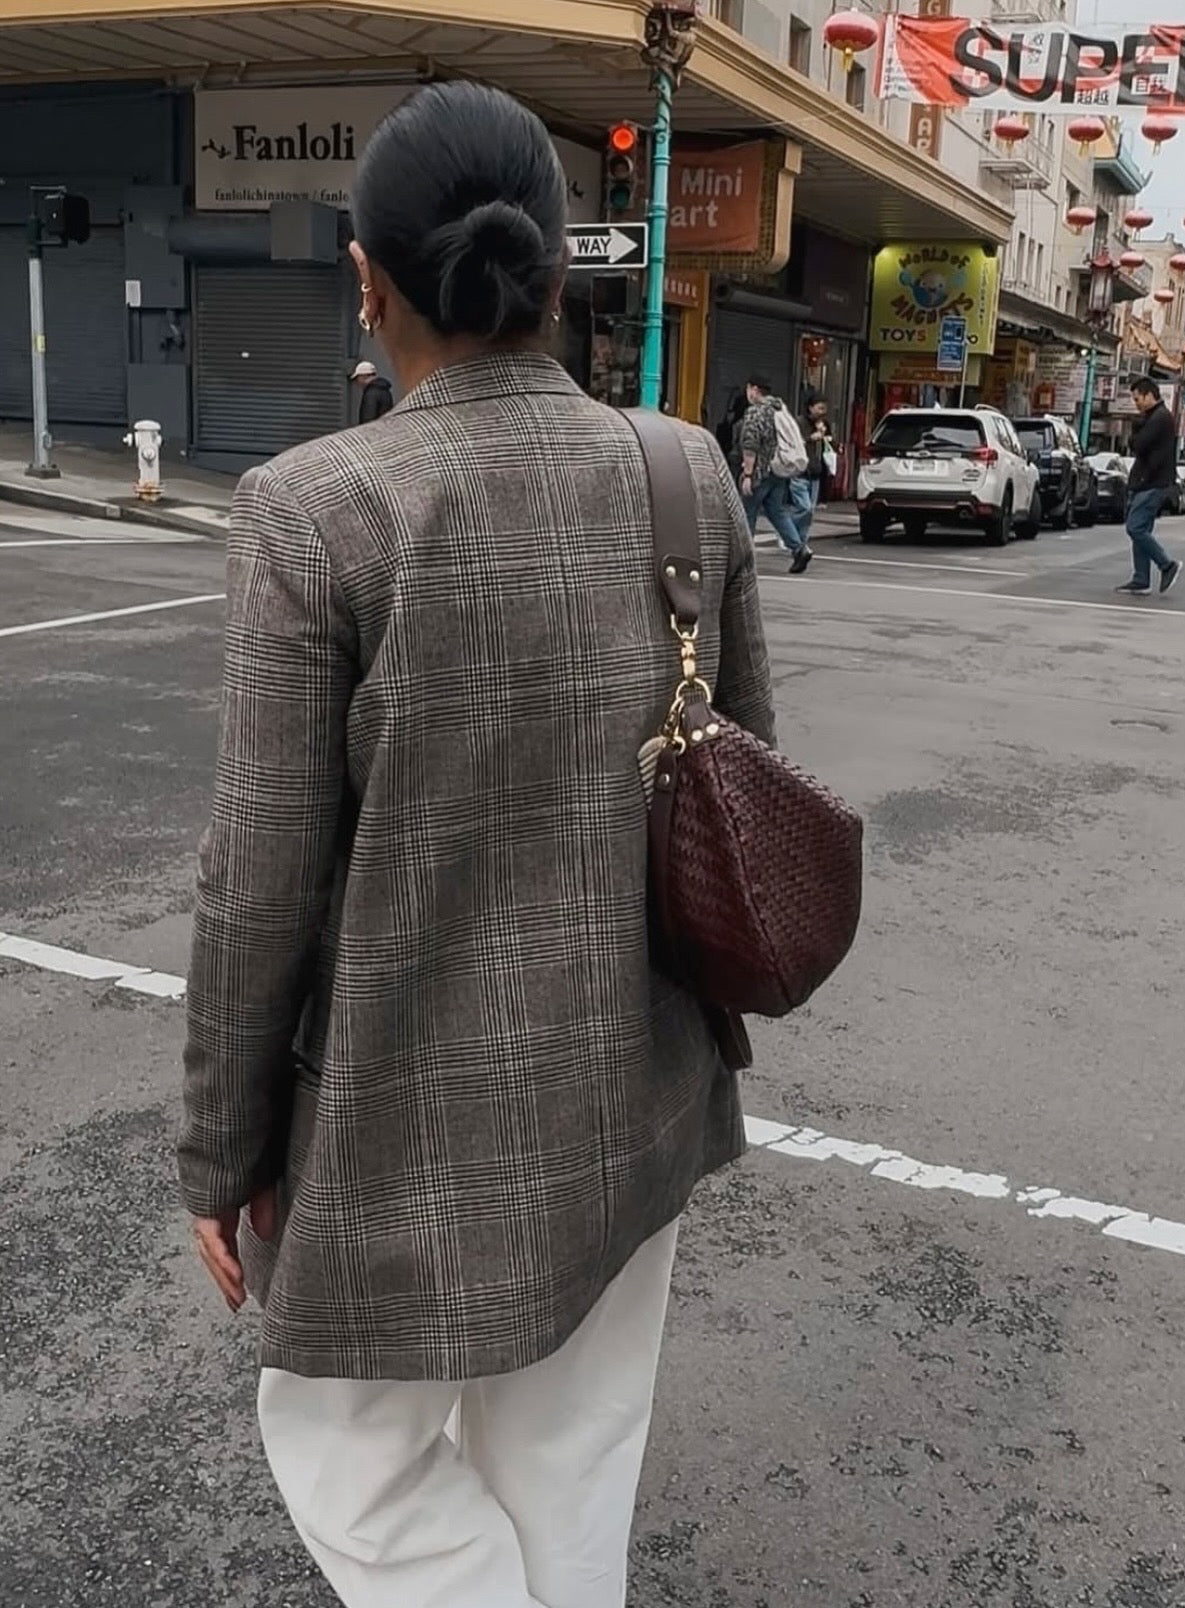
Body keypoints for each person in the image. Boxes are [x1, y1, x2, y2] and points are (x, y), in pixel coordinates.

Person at [178, 80, 774, 1608]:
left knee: (343, 1451)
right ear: (557, 278)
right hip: (636, 1084)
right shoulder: (680, 472)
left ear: (367, 281)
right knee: (571, 1460)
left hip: (401, 1115)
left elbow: (257, 882)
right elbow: (740, 777)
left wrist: (224, 1150)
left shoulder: (318, 510)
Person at [1116, 376, 1182, 597]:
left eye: (1137, 399)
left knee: (1135, 527)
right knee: (1140, 530)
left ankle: (1166, 564)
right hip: (1147, 481)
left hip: (1153, 482)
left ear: (1149, 395)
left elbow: (1139, 444)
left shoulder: (1160, 418)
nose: (1136, 404)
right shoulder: (1155, 417)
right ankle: (1141, 578)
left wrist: (1137, 429)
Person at [738, 375, 811, 574]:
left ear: (754, 390)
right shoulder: (779, 409)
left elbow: (750, 445)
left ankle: (745, 559)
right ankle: (798, 548)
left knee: (747, 512)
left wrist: (747, 474)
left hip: (760, 471)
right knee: (776, 511)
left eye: (749, 389)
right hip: (778, 470)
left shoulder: (755, 412)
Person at [790, 397, 837, 555]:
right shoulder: (799, 423)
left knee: (809, 512)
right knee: (805, 507)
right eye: (819, 408)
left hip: (816, 471)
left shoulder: (824, 425)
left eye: (824, 409)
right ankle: (788, 531)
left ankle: (800, 543)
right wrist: (811, 438)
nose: (822, 412)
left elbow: (830, 445)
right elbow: (794, 443)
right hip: (800, 472)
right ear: (810, 408)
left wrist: (826, 437)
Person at [350, 358, 394, 423]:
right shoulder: (385, 391)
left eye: (357, 378)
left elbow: (368, 418)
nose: (357, 382)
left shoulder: (371, 394)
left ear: (364, 376)